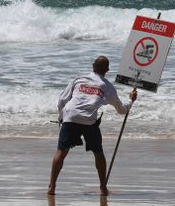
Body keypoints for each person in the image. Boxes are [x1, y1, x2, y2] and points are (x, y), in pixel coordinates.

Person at [47, 55, 137, 196]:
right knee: (98, 153)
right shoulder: (107, 86)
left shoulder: (78, 79)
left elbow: (62, 100)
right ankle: (103, 188)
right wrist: (131, 101)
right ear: (107, 69)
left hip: (70, 116)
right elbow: (121, 110)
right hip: (89, 121)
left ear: (93, 67)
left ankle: (51, 188)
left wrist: (61, 117)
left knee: (61, 152)